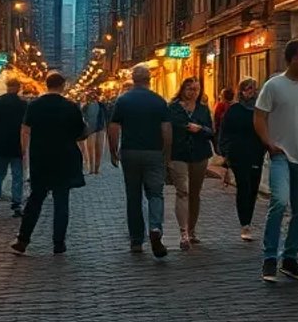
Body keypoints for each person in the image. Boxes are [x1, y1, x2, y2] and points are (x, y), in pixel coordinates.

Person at [253, 39, 298, 282]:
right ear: (293, 59)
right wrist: (268, 143)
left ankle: (290, 258)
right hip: (281, 154)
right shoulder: (274, 86)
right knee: (280, 201)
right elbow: (259, 116)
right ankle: (270, 257)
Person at [11, 72, 87, 256]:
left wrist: (24, 152)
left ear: (46, 85)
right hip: (64, 158)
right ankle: (59, 243)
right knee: (61, 201)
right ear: (63, 86)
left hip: (41, 158)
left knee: (35, 199)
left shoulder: (35, 105)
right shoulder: (71, 106)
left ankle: (23, 240)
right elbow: (82, 133)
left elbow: (25, 130)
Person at [108, 65, 172, 257]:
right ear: (149, 79)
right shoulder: (159, 101)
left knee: (133, 196)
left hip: (130, 152)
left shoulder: (123, 100)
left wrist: (113, 150)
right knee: (155, 193)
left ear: (133, 79)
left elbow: (113, 127)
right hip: (154, 152)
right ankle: (155, 228)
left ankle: (136, 240)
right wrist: (166, 153)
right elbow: (166, 129)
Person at [167, 77, 215, 250]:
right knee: (183, 191)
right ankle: (183, 233)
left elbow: (211, 131)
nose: (193, 92)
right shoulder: (172, 108)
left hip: (199, 154)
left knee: (195, 193)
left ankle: (192, 230)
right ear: (182, 89)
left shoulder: (202, 109)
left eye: (196, 89)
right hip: (178, 154)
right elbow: (166, 129)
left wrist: (200, 129)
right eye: (190, 89)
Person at [220, 77, 266, 241]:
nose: (251, 92)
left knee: (253, 188)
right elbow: (225, 131)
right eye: (247, 88)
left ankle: (248, 220)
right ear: (241, 91)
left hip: (256, 153)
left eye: (253, 88)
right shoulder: (234, 110)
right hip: (238, 154)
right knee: (244, 186)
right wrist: (225, 153)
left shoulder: (260, 110)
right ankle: (245, 224)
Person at [0, 78, 29, 218]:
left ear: (7, 87)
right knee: (17, 176)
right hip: (16, 145)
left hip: (0, 144)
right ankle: (17, 204)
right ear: (18, 88)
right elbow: (26, 127)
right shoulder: (23, 104)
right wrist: (25, 146)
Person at [213, 86, 236, 187]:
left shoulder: (220, 105)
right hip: (231, 133)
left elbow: (216, 119)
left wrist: (215, 130)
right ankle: (227, 175)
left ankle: (227, 175)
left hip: (222, 132)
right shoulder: (236, 106)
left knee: (224, 153)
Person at [81, 92, 108, 175]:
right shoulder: (86, 104)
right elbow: (82, 114)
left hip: (99, 126)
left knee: (98, 148)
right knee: (91, 148)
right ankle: (92, 168)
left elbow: (107, 114)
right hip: (91, 127)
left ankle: (96, 169)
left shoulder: (101, 104)